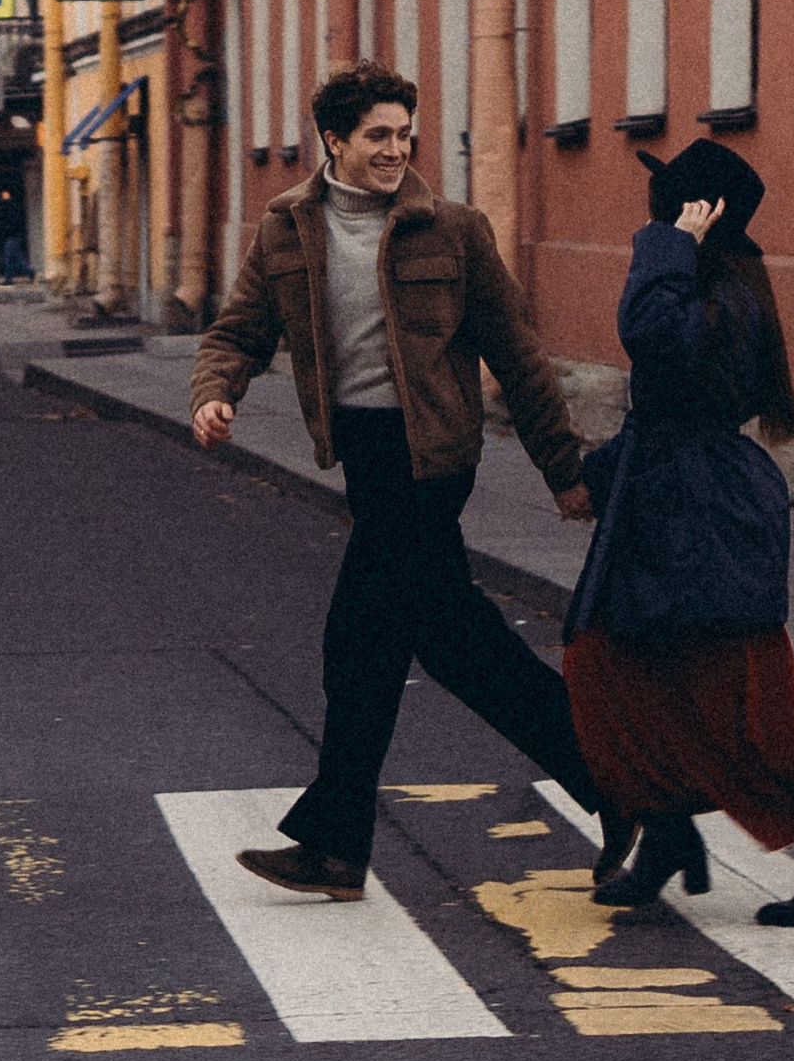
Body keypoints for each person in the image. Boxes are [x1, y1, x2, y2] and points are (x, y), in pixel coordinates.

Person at [189, 62, 606, 897]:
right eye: (377, 134)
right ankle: (634, 796)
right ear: (334, 140)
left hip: (431, 465)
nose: (395, 149)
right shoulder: (285, 229)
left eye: (403, 133)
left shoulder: (451, 230)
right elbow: (237, 331)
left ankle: (337, 841)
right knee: (451, 646)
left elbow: (518, 356)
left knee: (359, 643)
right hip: (367, 460)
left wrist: (563, 468)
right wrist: (214, 394)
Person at [562, 145, 794, 926]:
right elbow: (660, 404)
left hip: (699, 519)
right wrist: (597, 473)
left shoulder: (719, 293)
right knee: (608, 667)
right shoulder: (705, 284)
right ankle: (666, 835)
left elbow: (646, 334)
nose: (651, 219)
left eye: (665, 207)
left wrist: (671, 246)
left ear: (699, 215)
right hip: (662, 501)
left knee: (729, 705)